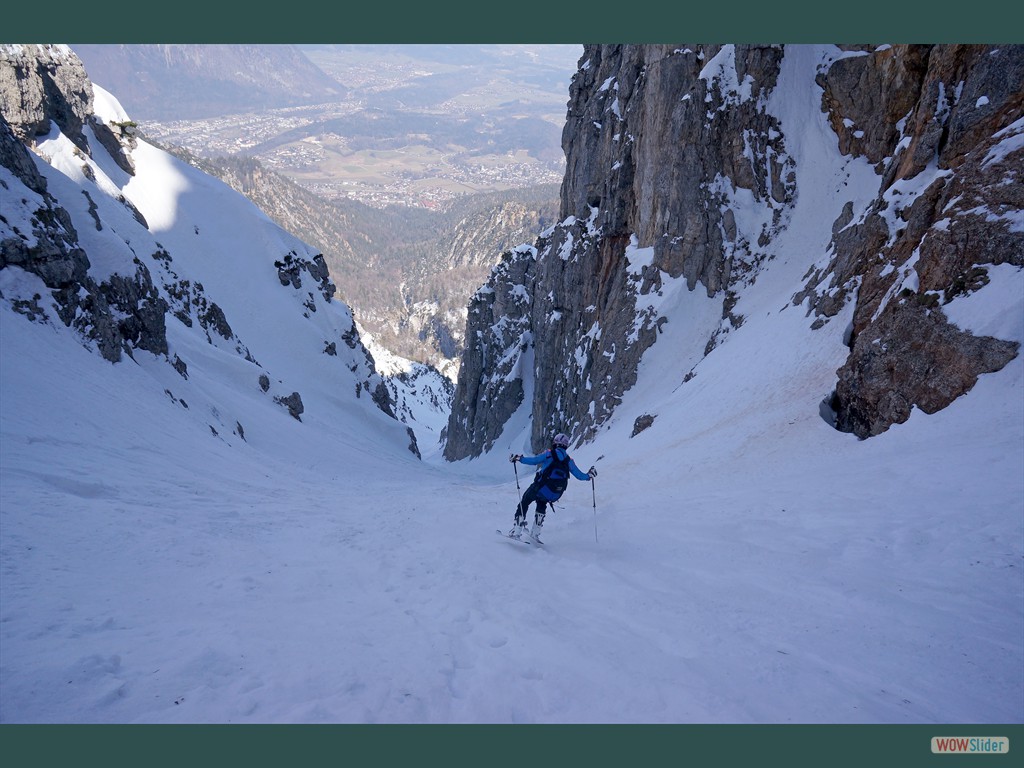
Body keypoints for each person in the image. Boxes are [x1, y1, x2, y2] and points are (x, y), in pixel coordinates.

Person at [509, 432, 596, 541]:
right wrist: (589, 475)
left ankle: (517, 530)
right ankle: (535, 533)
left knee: (525, 501)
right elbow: (580, 475)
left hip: (540, 486)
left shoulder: (549, 454)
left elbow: (534, 460)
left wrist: (519, 458)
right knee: (542, 502)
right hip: (555, 493)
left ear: (555, 443)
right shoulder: (568, 460)